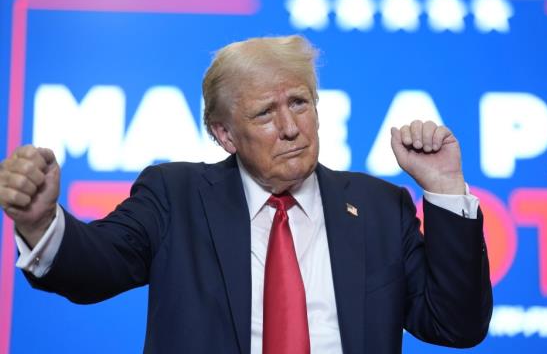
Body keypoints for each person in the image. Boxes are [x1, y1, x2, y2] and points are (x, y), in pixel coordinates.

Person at [0, 35, 492, 353]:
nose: (290, 127)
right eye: (264, 114)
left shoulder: (380, 207)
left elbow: (456, 325)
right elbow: (95, 268)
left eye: (299, 103)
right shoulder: (177, 196)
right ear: (225, 135)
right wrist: (40, 223)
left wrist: (445, 188)